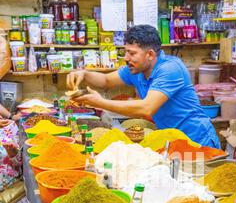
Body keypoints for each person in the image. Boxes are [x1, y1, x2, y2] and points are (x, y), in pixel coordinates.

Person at [67, 25, 220, 148]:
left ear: (150, 55)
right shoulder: (135, 69)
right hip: (172, 140)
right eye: (125, 52)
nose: (126, 58)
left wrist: (99, 102)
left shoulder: (170, 69)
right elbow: (106, 80)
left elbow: (147, 108)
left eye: (132, 53)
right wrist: (84, 74)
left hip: (197, 140)